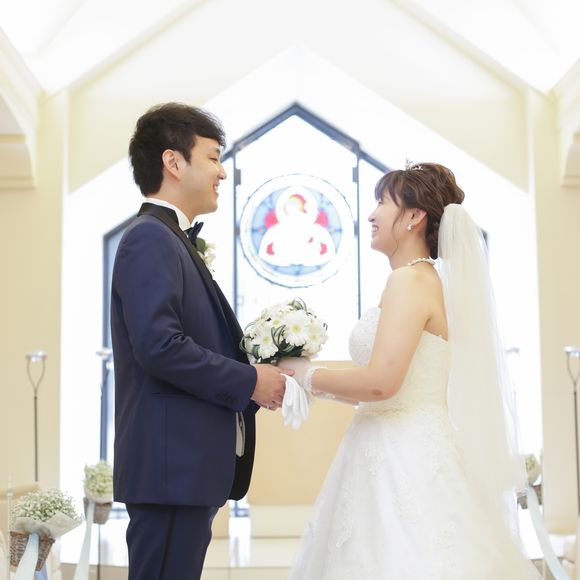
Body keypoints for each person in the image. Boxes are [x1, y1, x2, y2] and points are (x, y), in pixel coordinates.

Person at [283, 163, 540, 579]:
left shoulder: (410, 282)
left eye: (382, 203)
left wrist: (306, 375)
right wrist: (312, 383)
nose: (372, 215)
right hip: (394, 443)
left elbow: (382, 384)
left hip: (402, 457)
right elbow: (385, 388)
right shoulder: (422, 280)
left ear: (414, 216)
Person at [110, 102, 288, 580]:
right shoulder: (150, 238)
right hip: (172, 470)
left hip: (183, 470)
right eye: (213, 157)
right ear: (173, 161)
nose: (222, 172)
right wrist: (249, 381)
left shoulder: (169, 238)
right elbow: (160, 346)